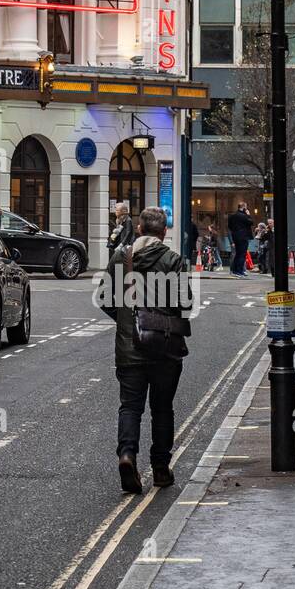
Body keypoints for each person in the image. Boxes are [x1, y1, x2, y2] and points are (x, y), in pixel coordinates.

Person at [98, 205, 191, 493]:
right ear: (164, 232)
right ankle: (161, 469)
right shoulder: (174, 260)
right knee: (162, 409)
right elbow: (184, 305)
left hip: (129, 348)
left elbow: (105, 298)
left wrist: (128, 320)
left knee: (130, 407)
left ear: (139, 229)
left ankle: (127, 456)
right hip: (165, 348)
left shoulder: (120, 256)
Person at [227, 202, 253, 277]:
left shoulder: (232, 216)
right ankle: (239, 270)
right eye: (246, 207)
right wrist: (248, 214)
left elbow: (230, 226)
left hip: (235, 236)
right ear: (244, 207)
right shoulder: (244, 216)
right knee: (242, 254)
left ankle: (235, 270)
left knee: (238, 254)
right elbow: (251, 222)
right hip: (243, 237)